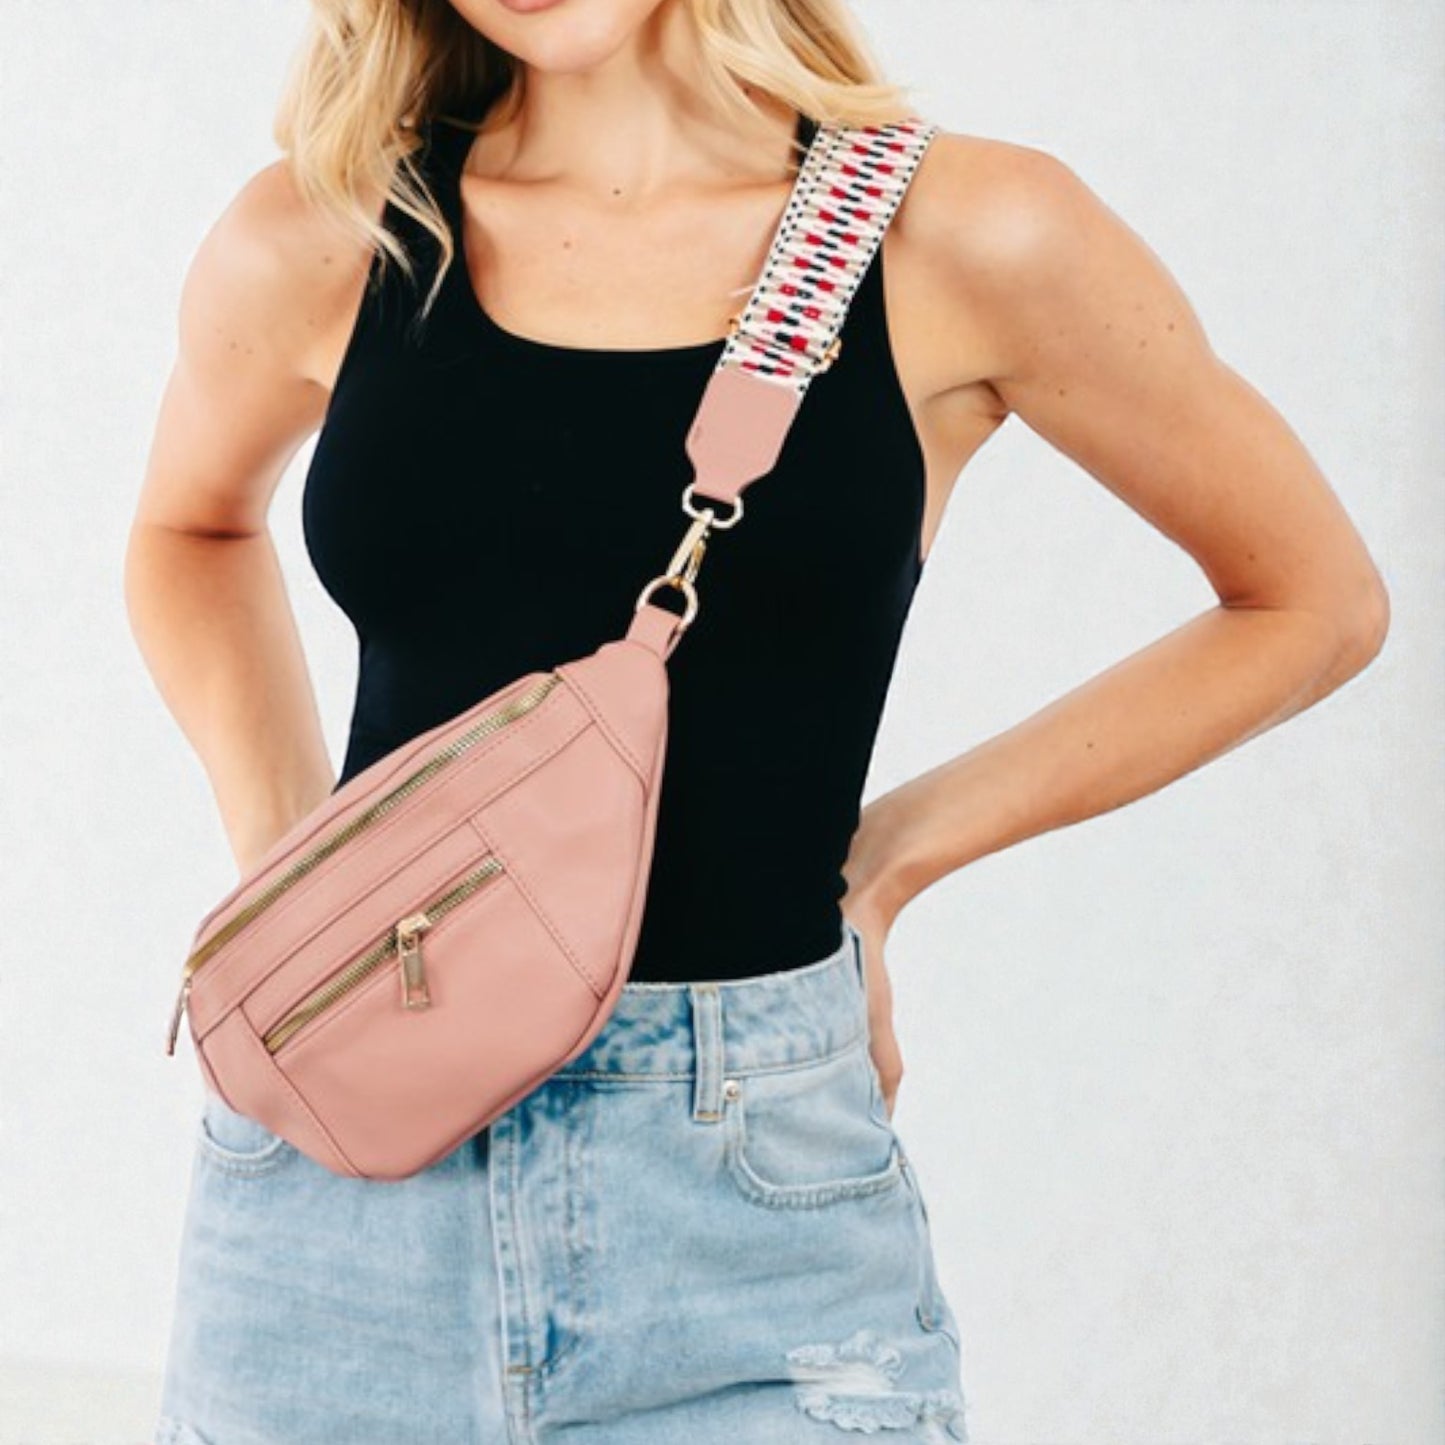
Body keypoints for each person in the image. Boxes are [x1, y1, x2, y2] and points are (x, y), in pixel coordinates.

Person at [124, 0, 1389, 1441]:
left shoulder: (964, 233)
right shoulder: (333, 231)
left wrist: (893, 855)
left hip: (744, 1207)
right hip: (332, 1210)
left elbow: (1308, 600)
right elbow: (187, 529)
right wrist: (291, 856)